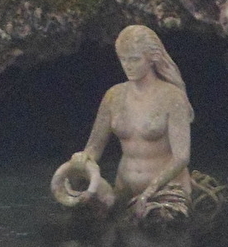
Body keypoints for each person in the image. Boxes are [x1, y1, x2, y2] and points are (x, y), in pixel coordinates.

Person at [52, 25, 194, 222]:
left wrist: (149, 191)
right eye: (123, 59)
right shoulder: (113, 96)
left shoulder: (172, 97)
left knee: (158, 232)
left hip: (165, 191)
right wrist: (82, 160)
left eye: (134, 59)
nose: (127, 65)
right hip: (123, 188)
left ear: (152, 58)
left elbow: (182, 157)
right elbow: (94, 148)